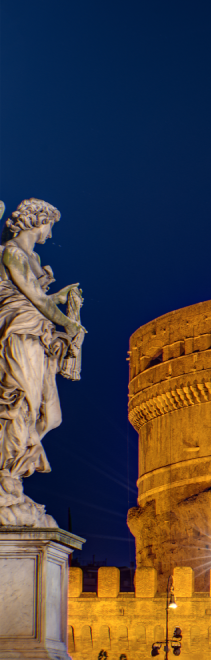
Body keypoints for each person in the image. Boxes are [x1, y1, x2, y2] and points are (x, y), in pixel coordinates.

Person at [0, 199, 84, 527]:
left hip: (38, 337)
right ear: (38, 222)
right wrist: (69, 323)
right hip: (18, 334)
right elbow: (32, 298)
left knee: (50, 416)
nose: (50, 233)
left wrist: (61, 300)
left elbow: (38, 296)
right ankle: (8, 479)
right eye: (50, 225)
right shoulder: (12, 253)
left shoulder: (32, 258)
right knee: (20, 402)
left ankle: (12, 476)